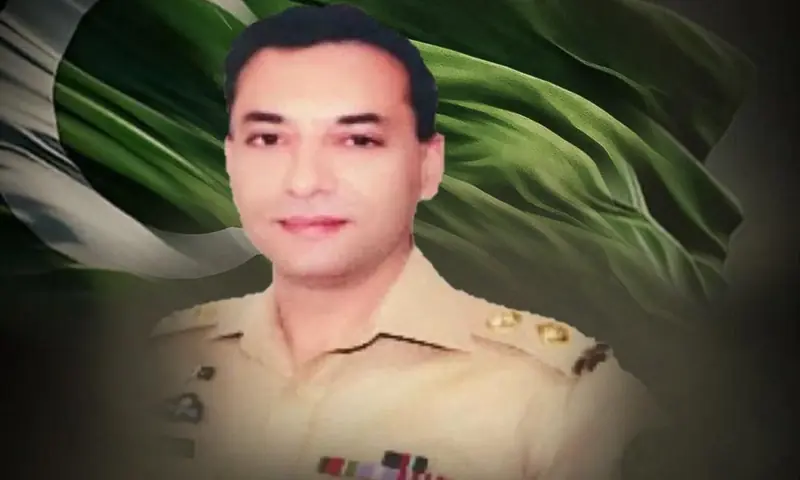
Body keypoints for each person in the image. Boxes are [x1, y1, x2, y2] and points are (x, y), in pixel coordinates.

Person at [139, 4, 666, 479]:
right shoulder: (161, 362)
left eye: (357, 140)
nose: (304, 181)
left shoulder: (562, 401)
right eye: (268, 138)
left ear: (427, 166)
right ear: (231, 160)